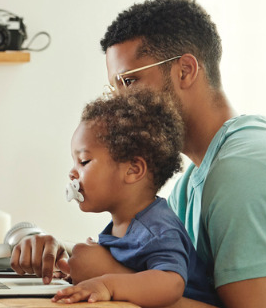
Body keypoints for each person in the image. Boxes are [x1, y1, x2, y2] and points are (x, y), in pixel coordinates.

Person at [12, 0, 266, 308]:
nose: (119, 101)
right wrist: (64, 254)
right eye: (114, 87)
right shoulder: (194, 180)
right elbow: (166, 272)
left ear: (185, 70)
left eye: (130, 81)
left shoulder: (242, 173)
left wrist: (110, 277)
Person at [52, 88, 221, 307]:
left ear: (133, 170)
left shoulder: (157, 228)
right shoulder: (123, 224)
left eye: (83, 161)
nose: (72, 173)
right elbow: (133, 274)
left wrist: (106, 285)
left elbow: (171, 284)